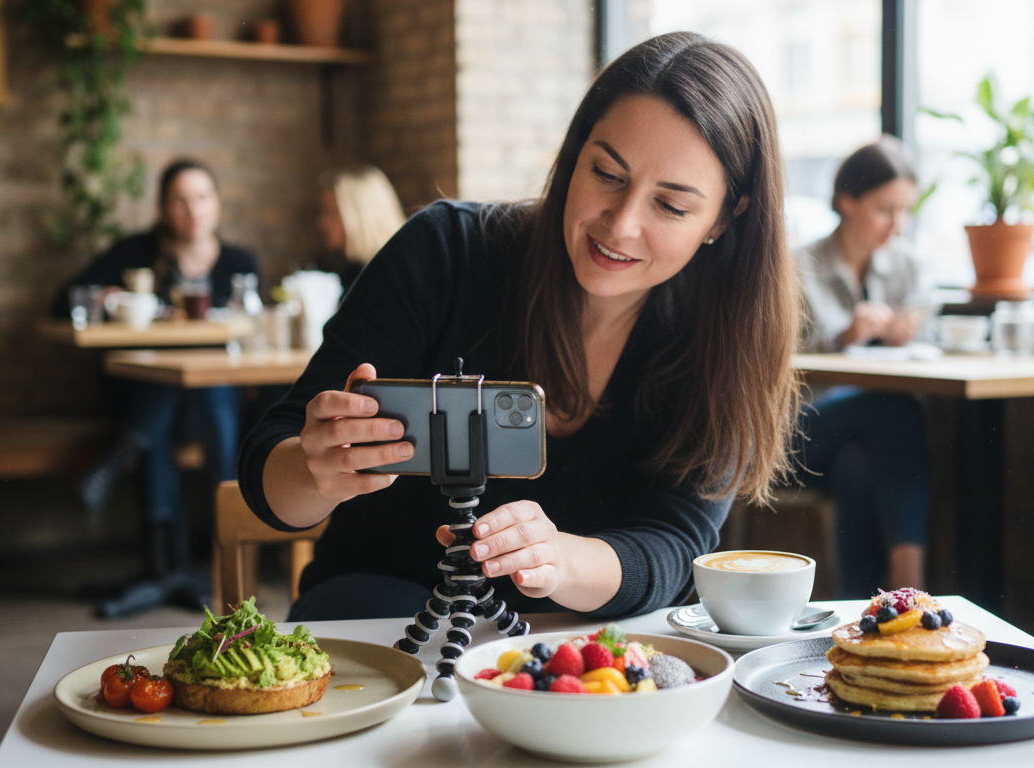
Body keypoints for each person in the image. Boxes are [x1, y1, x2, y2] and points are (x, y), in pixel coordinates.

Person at [239, 32, 802, 621]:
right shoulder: (446, 254)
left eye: (671, 206)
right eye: (607, 174)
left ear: (725, 218)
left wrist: (559, 560)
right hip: (378, 625)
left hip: (574, 650)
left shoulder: (723, 338)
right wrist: (315, 471)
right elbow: (271, 472)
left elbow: (674, 545)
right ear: (575, 154)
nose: (621, 225)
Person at [53, 158, 258, 615]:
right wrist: (105, 295)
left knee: (202, 390)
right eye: (180, 200)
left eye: (202, 197)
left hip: (207, 402)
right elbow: (63, 300)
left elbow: (250, 330)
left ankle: (123, 457)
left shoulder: (239, 264)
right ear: (163, 209)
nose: (193, 209)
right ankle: (199, 568)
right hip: (144, 397)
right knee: (165, 386)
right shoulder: (137, 253)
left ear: (217, 203)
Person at [793, 137, 932, 597]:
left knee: (857, 465)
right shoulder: (798, 268)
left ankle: (871, 611)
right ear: (846, 201)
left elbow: (930, 320)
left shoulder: (907, 267)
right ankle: (910, 580)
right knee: (892, 408)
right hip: (798, 430)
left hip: (855, 439)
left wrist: (912, 331)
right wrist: (841, 337)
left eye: (904, 211)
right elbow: (771, 359)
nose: (897, 225)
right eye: (884, 210)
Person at [303, 166, 407, 289]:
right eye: (322, 212)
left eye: (331, 213)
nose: (321, 223)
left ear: (362, 216)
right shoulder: (336, 268)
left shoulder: (389, 279)